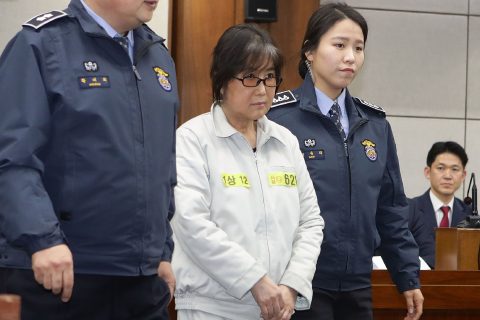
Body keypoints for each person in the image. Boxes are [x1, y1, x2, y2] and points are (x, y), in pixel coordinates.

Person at [0, 0, 178, 319]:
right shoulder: (42, 44)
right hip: (59, 274)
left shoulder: (158, 56)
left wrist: (162, 252)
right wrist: (42, 240)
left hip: (142, 281)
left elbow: (163, 168)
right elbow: (12, 159)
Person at [267, 3, 424, 320]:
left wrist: (407, 275)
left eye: (358, 48)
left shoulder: (375, 124)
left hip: (357, 285)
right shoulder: (279, 119)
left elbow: (390, 208)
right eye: (339, 45)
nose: (350, 57)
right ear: (310, 51)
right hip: (297, 285)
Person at [171, 24, 324, 320]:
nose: (263, 90)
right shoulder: (192, 139)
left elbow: (311, 222)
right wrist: (255, 280)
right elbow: (191, 223)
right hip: (212, 307)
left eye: (269, 78)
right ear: (222, 79)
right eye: (250, 77)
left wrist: (291, 284)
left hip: (278, 306)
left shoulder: (285, 141)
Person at [408, 141, 471, 268]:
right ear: (427, 172)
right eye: (441, 168)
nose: (448, 176)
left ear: (463, 175)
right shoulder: (410, 209)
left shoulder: (469, 215)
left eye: (454, 169)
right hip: (418, 284)